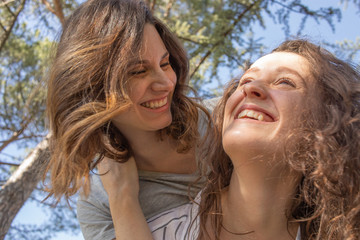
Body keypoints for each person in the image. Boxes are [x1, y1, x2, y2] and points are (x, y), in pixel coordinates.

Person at [140, 39, 360, 240]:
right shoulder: (154, 233)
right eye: (246, 80)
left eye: (285, 82)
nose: (250, 88)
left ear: (326, 122)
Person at [45, 0, 216, 239]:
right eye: (138, 71)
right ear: (92, 86)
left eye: (164, 63)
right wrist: (122, 199)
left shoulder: (224, 117)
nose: (166, 83)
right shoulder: (97, 205)